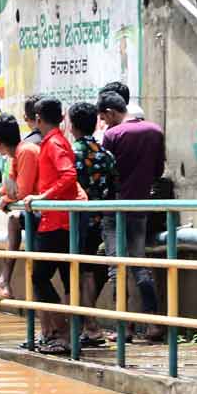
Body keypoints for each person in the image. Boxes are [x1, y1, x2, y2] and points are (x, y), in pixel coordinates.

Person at [17, 97, 85, 353]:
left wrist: (43, 197)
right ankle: (68, 334)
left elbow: (69, 175)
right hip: (61, 220)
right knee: (67, 278)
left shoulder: (54, 143)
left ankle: (62, 331)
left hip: (57, 222)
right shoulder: (56, 141)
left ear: (37, 119)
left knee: (39, 277)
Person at [98, 90, 167, 340]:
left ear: (110, 113)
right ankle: (154, 322)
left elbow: (104, 173)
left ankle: (124, 327)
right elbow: (158, 170)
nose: (104, 122)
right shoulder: (155, 131)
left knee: (117, 267)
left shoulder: (112, 135)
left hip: (115, 208)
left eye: (103, 118)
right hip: (140, 206)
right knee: (139, 264)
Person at [0, 96, 43, 301]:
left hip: (52, 213)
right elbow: (13, 185)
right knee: (14, 220)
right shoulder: (19, 153)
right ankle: (3, 282)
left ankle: (4, 281)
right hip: (43, 210)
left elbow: (21, 191)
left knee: (14, 220)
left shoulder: (26, 151)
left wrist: (6, 200)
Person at [69, 100, 118, 347]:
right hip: (99, 219)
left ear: (72, 125)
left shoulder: (71, 153)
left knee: (76, 271)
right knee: (87, 270)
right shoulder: (105, 154)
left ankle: (90, 326)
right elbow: (114, 185)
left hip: (75, 219)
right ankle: (89, 324)